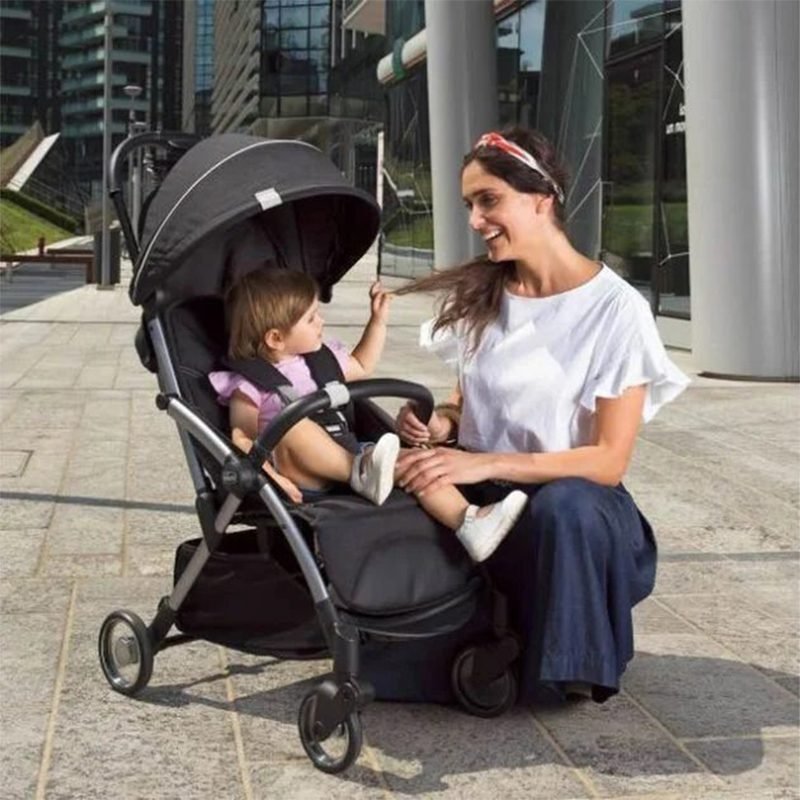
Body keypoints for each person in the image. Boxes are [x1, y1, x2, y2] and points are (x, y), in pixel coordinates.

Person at [393, 127, 690, 703]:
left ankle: (569, 669)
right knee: (383, 462)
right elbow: (463, 401)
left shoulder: (615, 310)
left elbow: (607, 461)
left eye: (488, 200)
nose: (475, 220)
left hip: (574, 516)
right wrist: (441, 424)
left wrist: (483, 464)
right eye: (469, 205)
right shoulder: (484, 295)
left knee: (567, 503)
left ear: (542, 198)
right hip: (481, 505)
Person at [209, 268, 528, 562]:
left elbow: (362, 365)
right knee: (293, 426)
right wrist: (271, 480)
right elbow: (243, 438)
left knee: (418, 462)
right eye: (311, 318)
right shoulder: (250, 384)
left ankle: (468, 520)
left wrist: (378, 321)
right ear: (275, 338)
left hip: (354, 454)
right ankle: (359, 470)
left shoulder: (322, 359)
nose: (321, 321)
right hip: (302, 476)